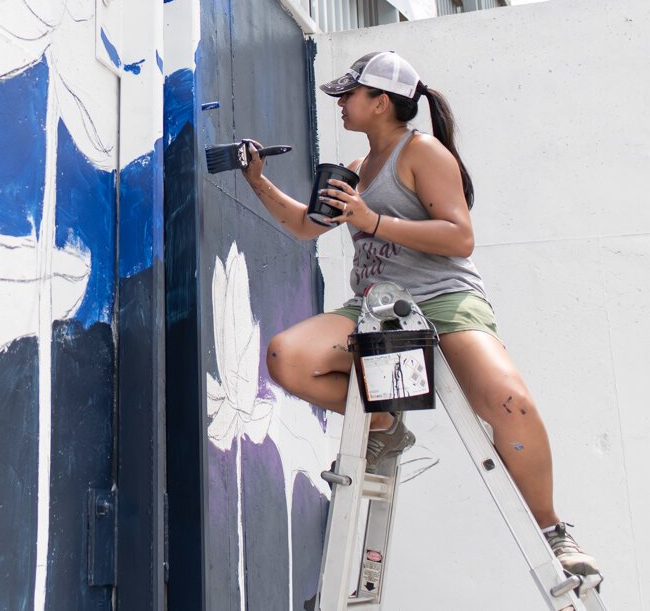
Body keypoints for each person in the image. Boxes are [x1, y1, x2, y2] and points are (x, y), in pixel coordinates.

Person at [240, 50, 600, 579]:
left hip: (442, 299)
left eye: (350, 94)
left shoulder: (424, 152)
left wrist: (372, 219)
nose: (340, 104)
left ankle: (553, 531)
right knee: (287, 358)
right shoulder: (358, 170)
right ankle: (385, 422)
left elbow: (459, 236)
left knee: (510, 403)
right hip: (374, 309)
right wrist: (257, 180)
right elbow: (306, 226)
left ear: (380, 103)